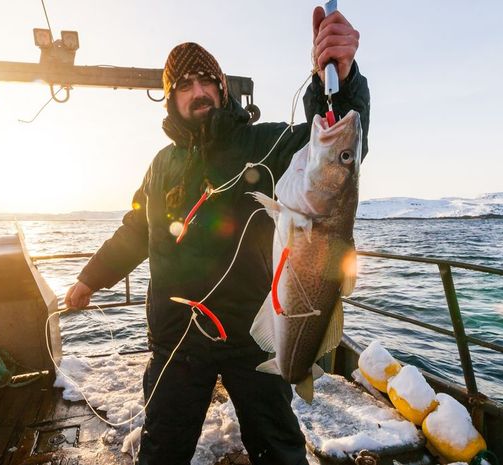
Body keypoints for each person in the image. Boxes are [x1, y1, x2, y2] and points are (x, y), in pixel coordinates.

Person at [66, 7, 370, 465]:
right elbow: (135, 230)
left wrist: (339, 78)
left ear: (222, 87)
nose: (198, 91)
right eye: (184, 85)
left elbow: (333, 152)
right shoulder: (161, 165)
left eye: (206, 80)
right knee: (162, 449)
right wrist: (91, 279)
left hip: (253, 333)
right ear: (171, 100)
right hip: (177, 338)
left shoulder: (264, 143)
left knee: (279, 450)